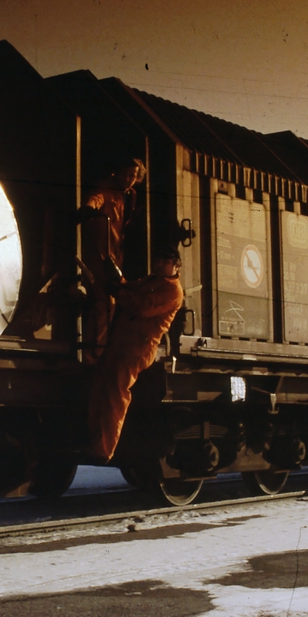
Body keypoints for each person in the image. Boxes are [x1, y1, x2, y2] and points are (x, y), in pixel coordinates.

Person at [85, 250, 184, 463]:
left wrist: (118, 291)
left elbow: (142, 307)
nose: (159, 264)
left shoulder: (173, 291)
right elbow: (130, 288)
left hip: (137, 349)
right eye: (158, 260)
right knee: (100, 388)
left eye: (164, 261)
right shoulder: (152, 280)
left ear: (176, 265)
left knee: (116, 394)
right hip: (122, 344)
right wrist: (117, 277)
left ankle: (104, 450)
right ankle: (94, 442)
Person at [77, 157, 146, 364]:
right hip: (99, 256)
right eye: (127, 174)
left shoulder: (130, 196)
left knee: (110, 303)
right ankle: (94, 353)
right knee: (106, 301)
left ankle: (98, 349)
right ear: (118, 171)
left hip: (115, 256)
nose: (129, 179)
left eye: (133, 176)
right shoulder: (106, 189)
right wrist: (88, 209)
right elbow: (95, 199)